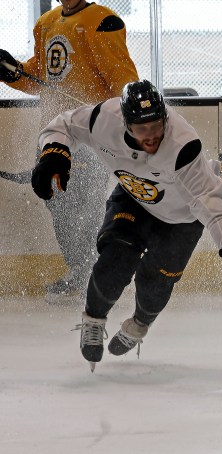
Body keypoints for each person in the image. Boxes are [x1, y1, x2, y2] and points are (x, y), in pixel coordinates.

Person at [31, 79, 222, 371]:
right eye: (143, 129)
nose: (152, 136)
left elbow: (209, 199)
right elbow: (64, 125)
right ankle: (93, 319)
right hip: (134, 198)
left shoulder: (183, 144)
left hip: (182, 218)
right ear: (126, 124)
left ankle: (140, 324)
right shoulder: (105, 119)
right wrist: (54, 153)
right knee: (116, 259)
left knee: (157, 279)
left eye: (157, 126)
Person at [0, 0, 138, 304]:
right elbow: (41, 76)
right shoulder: (45, 23)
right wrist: (12, 72)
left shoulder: (102, 21)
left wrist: (127, 124)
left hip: (91, 136)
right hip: (52, 139)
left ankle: (95, 275)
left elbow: (123, 79)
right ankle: (80, 269)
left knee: (87, 209)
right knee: (58, 206)